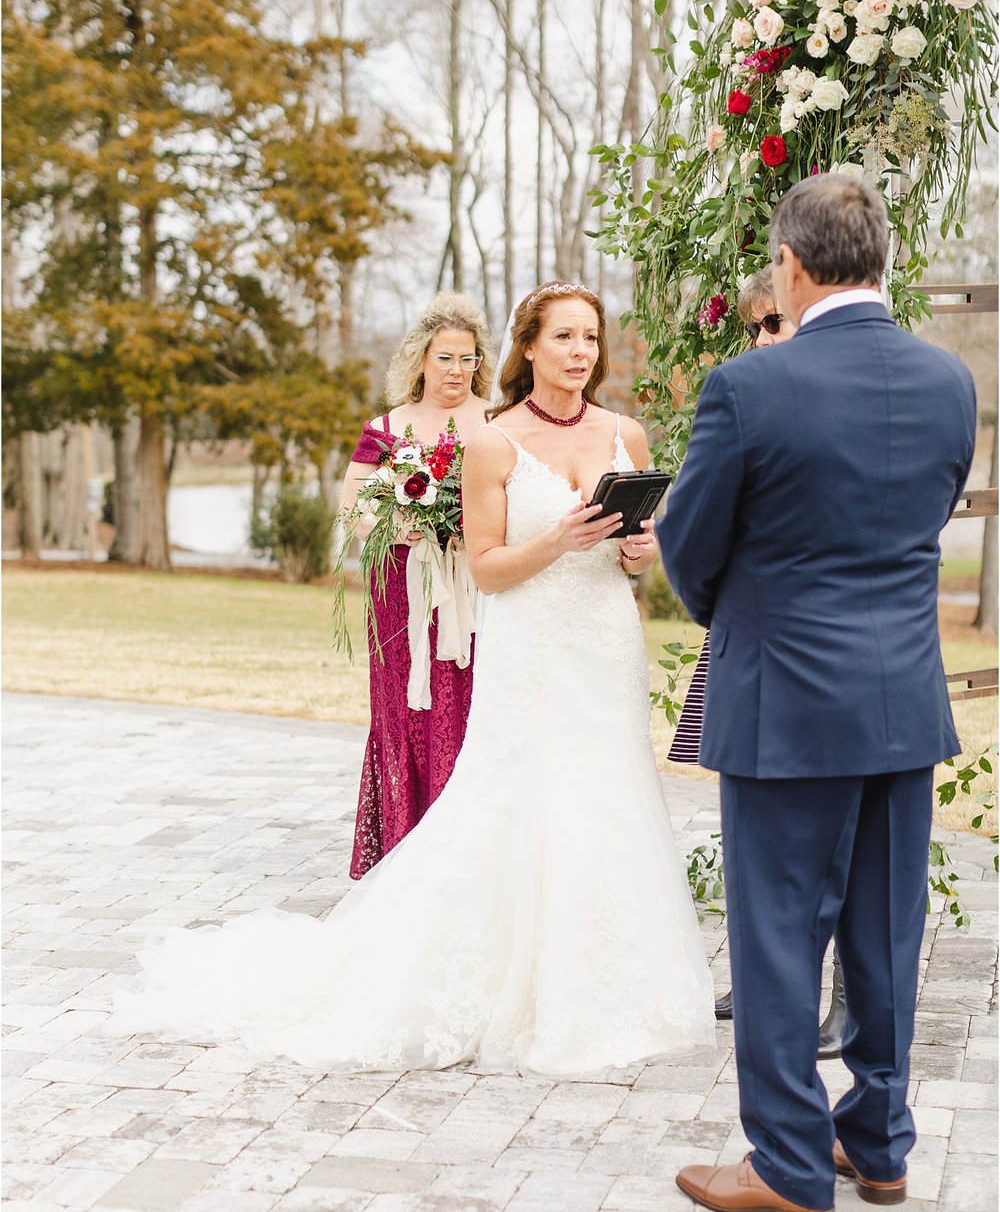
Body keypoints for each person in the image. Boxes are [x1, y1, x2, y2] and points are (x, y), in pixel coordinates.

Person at [111, 280, 715, 1076]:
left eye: (590, 339)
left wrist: (638, 552)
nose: (580, 353)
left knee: (606, 795)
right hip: (530, 646)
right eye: (564, 337)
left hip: (605, 643)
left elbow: (638, 554)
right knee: (514, 799)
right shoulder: (493, 442)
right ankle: (486, 980)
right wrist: (562, 540)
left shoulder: (626, 436)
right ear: (527, 348)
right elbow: (490, 570)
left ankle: (606, 981)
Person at [659, 173, 975, 1212]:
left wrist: (745, 615)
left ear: (790, 267)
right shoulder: (948, 383)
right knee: (886, 930)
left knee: (779, 933)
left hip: (786, 703)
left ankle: (791, 1161)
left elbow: (685, 546)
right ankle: (876, 1141)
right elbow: (920, 522)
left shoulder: (750, 386)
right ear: (877, 259)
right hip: (901, 700)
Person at [668, 268, 846, 1054]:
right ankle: (763, 974)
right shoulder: (743, 399)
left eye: (777, 322)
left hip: (823, 640)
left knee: (839, 833)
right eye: (755, 329)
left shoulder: (838, 401)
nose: (766, 339)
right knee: (751, 818)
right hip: (746, 627)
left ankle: (842, 987)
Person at [340, 295, 493, 879]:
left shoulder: (497, 420)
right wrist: (396, 524)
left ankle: (469, 857)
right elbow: (351, 510)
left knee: (471, 708)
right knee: (406, 711)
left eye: (466, 358)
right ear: (421, 359)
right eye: (444, 357)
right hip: (400, 596)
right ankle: (403, 857)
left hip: (474, 590)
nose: (456, 370)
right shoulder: (385, 428)